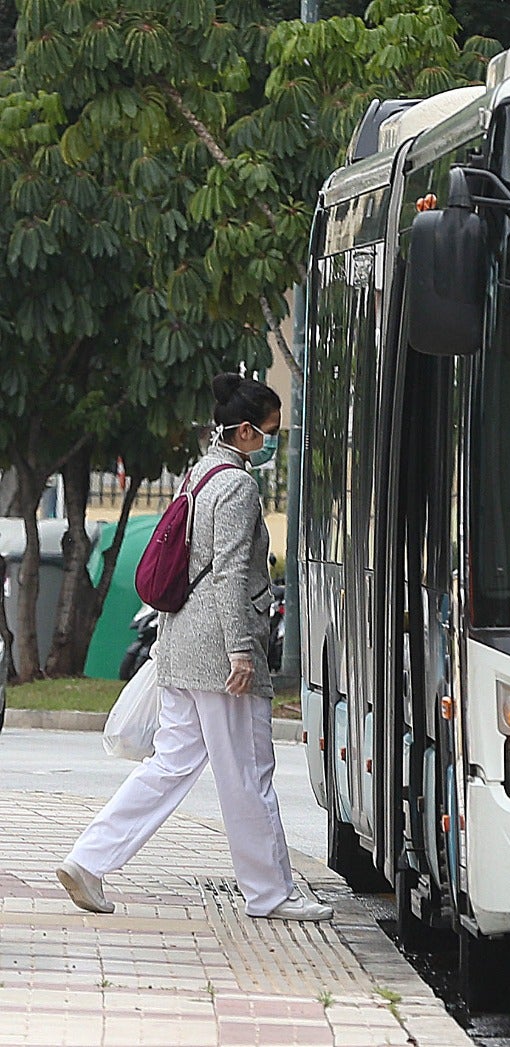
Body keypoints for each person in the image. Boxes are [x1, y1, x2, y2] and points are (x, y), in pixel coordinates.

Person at [56, 374, 331, 922]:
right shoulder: (238, 485)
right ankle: (271, 893)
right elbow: (229, 573)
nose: (275, 441)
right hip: (220, 655)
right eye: (272, 431)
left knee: (170, 765)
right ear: (247, 431)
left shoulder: (200, 472)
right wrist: (242, 653)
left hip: (182, 644)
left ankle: (87, 860)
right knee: (249, 772)